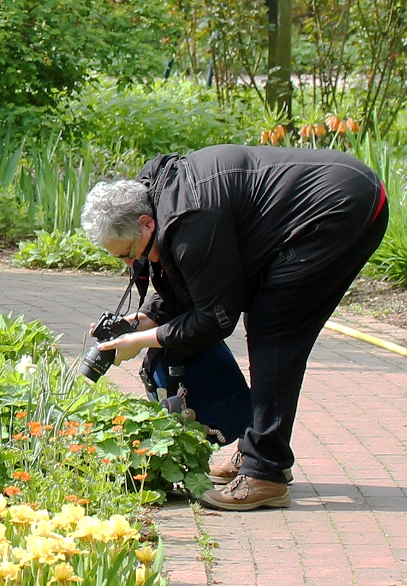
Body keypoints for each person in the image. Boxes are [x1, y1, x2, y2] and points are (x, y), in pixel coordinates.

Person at [80, 144, 388, 511]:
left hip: (339, 205)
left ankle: (266, 473)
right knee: (268, 317)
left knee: (274, 326)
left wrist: (143, 340)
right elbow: (193, 286)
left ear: (147, 223)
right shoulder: (154, 201)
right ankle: (258, 452)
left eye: (129, 252)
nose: (132, 262)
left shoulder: (190, 219)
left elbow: (215, 318)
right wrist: (137, 322)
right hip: (326, 198)